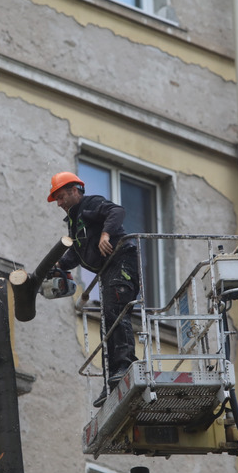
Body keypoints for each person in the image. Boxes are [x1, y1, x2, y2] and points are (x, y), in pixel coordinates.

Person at [47, 171, 140, 408]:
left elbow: (117, 211)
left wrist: (106, 234)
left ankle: (126, 365)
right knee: (107, 323)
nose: (58, 204)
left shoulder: (91, 204)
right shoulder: (76, 222)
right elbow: (78, 253)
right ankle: (112, 381)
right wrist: (59, 266)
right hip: (109, 270)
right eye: (56, 199)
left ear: (74, 190)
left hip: (121, 262)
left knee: (116, 313)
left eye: (60, 197)